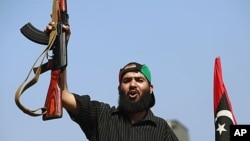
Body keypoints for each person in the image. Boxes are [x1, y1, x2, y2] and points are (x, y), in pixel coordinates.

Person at [46, 22, 179, 141]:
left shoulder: (161, 130)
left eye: (139, 80)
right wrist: (60, 44)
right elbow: (62, 95)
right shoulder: (101, 116)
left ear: (150, 88)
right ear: (119, 88)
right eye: (126, 80)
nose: (133, 84)